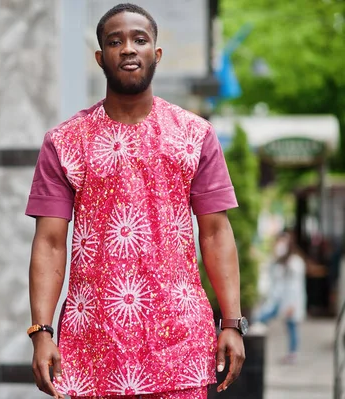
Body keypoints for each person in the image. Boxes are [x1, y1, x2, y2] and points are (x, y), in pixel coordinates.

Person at [25, 4, 246, 399]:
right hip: (91, 346)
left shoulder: (196, 135)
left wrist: (231, 321)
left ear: (155, 54)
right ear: (100, 58)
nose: (128, 49)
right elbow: (49, 242)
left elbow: (215, 233)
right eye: (115, 41)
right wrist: (41, 331)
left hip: (178, 345)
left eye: (139, 39)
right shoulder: (64, 142)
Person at [253, 230, 306, 364]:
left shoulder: (295, 263)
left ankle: (292, 353)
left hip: (290, 301)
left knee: (291, 326)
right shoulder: (281, 262)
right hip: (279, 299)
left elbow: (295, 287)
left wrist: (292, 305)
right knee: (284, 324)